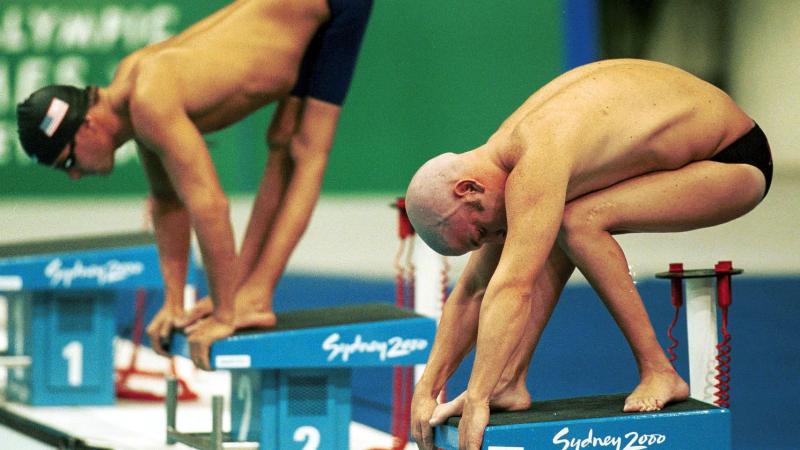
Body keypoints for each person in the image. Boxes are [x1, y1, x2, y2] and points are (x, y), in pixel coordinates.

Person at [405, 59, 772, 450]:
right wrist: (427, 388)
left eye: (481, 233)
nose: (495, 239)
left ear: (468, 189)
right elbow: (475, 288)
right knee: (550, 222)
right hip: (696, 143)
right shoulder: (508, 154)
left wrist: (477, 396)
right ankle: (508, 382)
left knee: (577, 221)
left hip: (733, 159)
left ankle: (659, 370)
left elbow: (512, 287)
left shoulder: (537, 155)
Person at [15, 0, 373, 370]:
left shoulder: (148, 100)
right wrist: (175, 303)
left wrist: (223, 314)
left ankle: (254, 297)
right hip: (305, 12)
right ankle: (245, 293)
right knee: (282, 139)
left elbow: (210, 206)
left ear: (87, 126)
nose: (75, 175)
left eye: (68, 162)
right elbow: (168, 202)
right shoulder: (133, 90)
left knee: (307, 147)